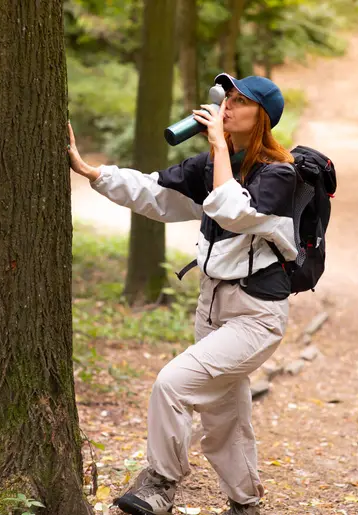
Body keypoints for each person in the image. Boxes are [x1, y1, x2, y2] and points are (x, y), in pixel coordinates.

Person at [67, 73, 298, 515]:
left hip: (255, 315)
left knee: (172, 385)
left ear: (262, 117)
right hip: (211, 307)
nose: (226, 106)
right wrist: (93, 172)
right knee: (225, 414)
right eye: (226, 97)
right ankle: (245, 503)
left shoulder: (279, 177)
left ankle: (160, 484)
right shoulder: (210, 167)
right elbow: (156, 193)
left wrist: (216, 147)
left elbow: (233, 212)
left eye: (240, 101)